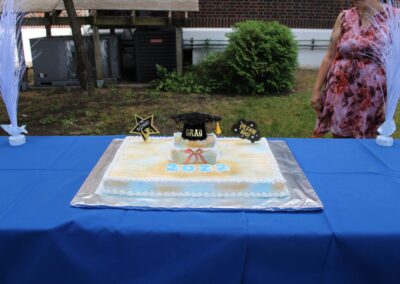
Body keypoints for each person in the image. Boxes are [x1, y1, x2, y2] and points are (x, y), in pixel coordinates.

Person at [311, 0, 387, 138]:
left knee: (370, 145)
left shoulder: (394, 18)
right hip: (341, 94)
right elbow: (329, 56)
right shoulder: (344, 17)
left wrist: (390, 102)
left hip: (374, 97)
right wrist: (316, 90)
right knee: (341, 142)